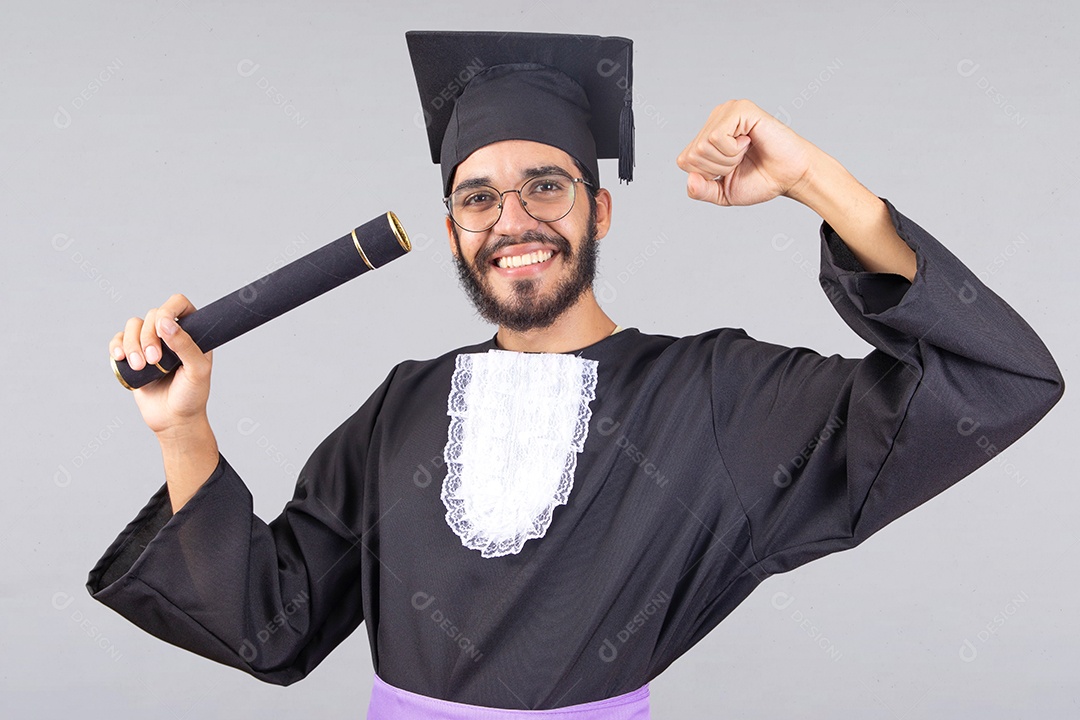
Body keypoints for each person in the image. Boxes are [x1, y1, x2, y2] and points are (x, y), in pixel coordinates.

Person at [87, 31, 1064, 719]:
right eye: (476, 198)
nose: (511, 219)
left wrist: (812, 178)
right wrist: (183, 428)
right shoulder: (401, 409)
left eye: (544, 186)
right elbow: (271, 631)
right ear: (459, 236)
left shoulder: (711, 397)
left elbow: (995, 376)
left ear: (600, 213)